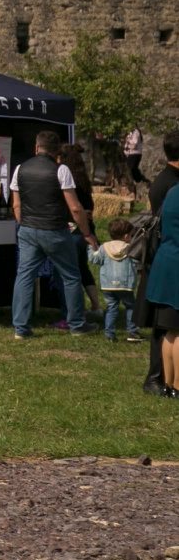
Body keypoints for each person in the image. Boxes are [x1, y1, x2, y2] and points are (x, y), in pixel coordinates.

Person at [10, 130, 94, 339]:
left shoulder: (20, 169)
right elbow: (75, 208)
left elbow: (16, 205)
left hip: (28, 229)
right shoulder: (61, 170)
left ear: (36, 147)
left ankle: (20, 327)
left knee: (24, 276)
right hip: (55, 230)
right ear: (56, 151)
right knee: (71, 276)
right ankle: (77, 324)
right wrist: (86, 233)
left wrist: (24, 225)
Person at [144, 130, 179, 395]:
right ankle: (174, 385)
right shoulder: (171, 185)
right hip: (174, 263)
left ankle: (167, 383)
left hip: (165, 261)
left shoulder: (170, 189)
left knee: (169, 331)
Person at [59, 142, 103, 319]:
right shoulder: (83, 179)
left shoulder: (66, 180)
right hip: (86, 228)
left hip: (72, 230)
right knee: (83, 268)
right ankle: (96, 305)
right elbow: (88, 208)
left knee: (71, 272)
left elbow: (72, 208)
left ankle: (75, 310)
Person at [93, 217, 143, 344]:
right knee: (131, 306)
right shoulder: (130, 248)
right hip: (126, 285)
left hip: (108, 285)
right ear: (126, 236)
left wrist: (90, 249)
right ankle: (132, 332)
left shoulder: (104, 247)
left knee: (111, 308)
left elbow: (96, 260)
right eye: (131, 235)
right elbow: (137, 261)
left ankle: (109, 334)